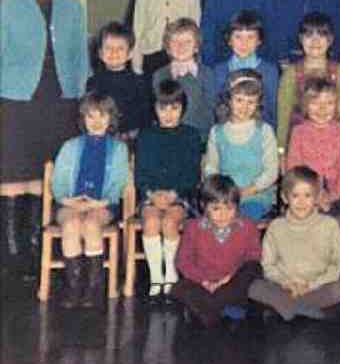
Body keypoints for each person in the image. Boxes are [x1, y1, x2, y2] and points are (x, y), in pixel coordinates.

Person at [1, 0, 89, 267]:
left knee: (46, 173)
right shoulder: (9, 8)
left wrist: (80, 97)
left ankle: (39, 248)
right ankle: (13, 253)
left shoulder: (72, 7)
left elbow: (80, 57)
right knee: (13, 173)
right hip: (16, 101)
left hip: (60, 102)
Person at [51, 92, 129, 309]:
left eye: (102, 116)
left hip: (102, 204)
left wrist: (101, 202)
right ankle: (74, 285)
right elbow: (58, 181)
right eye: (91, 116)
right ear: (83, 119)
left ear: (111, 118)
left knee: (92, 225)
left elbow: (119, 182)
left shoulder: (119, 148)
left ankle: (94, 286)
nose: (96, 122)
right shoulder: (70, 146)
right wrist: (68, 200)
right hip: (70, 203)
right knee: (71, 225)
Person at [249, 166, 340, 322]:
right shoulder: (276, 226)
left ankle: (290, 308)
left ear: (317, 197)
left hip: (318, 287)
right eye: (295, 195)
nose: (301, 202)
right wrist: (286, 282)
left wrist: (312, 284)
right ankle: (304, 309)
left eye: (308, 195)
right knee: (255, 287)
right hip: (285, 287)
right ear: (285, 197)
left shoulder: (329, 225)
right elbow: (267, 265)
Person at [134, 80, 202, 301]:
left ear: (183, 108)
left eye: (175, 108)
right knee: (151, 222)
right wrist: (152, 194)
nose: (169, 114)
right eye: (163, 108)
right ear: (154, 109)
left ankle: (171, 274)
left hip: (181, 195)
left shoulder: (191, 135)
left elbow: (192, 173)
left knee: (170, 222)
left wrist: (174, 194)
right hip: (150, 196)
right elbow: (140, 173)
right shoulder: (146, 136)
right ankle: (156, 277)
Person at [172, 174, 263, 328]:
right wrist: (204, 281)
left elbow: (253, 255)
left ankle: (212, 308)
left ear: (237, 207)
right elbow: (183, 261)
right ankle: (221, 307)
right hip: (204, 283)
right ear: (204, 206)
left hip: (233, 281)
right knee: (179, 288)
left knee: (253, 268)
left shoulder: (248, 226)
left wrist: (228, 278)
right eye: (216, 209)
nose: (223, 214)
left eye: (229, 208)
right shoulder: (193, 228)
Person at [203, 71, 278, 221]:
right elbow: (211, 168)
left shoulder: (264, 131)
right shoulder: (216, 132)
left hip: (256, 196)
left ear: (258, 104)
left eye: (251, 102)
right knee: (217, 220)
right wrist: (222, 192)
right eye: (239, 100)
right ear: (229, 100)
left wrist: (250, 189)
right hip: (224, 197)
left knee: (239, 221)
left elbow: (271, 171)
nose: (244, 107)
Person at [276, 12, 340, 147]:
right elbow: (283, 117)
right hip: (299, 146)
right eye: (309, 36)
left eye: (321, 35)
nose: (315, 42)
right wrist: (281, 148)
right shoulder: (291, 73)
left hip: (333, 144)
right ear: (301, 39)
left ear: (330, 40)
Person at [286, 77, 340, 213]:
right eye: (315, 103)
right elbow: (294, 169)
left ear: (337, 105)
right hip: (305, 193)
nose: (322, 109)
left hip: (339, 195)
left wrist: (332, 195)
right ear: (305, 105)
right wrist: (314, 196)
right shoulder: (298, 132)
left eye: (329, 103)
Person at [210, 9, 280, 128]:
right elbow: (216, 107)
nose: (244, 43)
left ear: (259, 41)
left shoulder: (269, 71)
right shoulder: (219, 70)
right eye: (238, 37)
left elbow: (272, 109)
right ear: (229, 40)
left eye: (250, 37)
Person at [88, 21, 152, 142]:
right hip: (102, 138)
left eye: (120, 48)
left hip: (132, 139)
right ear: (100, 53)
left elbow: (146, 117)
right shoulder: (93, 83)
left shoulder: (139, 82)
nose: (114, 52)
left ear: (130, 54)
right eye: (108, 48)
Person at [151, 17, 213, 142]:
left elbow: (212, 109)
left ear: (196, 47)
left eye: (187, 42)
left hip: (199, 138)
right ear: (168, 48)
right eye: (175, 41)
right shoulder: (159, 75)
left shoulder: (207, 74)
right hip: (167, 137)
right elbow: (156, 109)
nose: (181, 46)